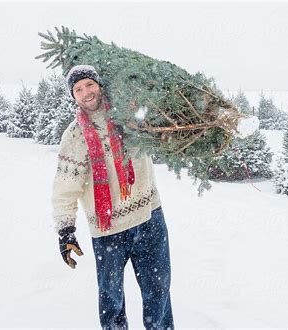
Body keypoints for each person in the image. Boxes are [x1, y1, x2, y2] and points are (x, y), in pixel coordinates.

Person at [52, 64, 174, 329]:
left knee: (159, 294)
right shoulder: (74, 136)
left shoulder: (129, 116)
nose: (86, 93)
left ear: (100, 85)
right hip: (108, 230)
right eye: (78, 89)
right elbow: (64, 187)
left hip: (148, 217)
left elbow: (162, 125)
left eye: (89, 85)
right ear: (73, 96)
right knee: (111, 303)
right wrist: (65, 231)